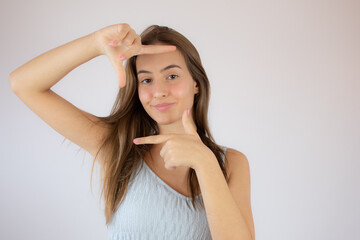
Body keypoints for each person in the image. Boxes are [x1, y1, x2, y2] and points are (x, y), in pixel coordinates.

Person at [9, 23, 255, 240]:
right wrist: (95, 43)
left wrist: (204, 163)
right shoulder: (117, 146)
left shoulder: (231, 163)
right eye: (146, 80)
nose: (159, 91)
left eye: (171, 75)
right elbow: (23, 84)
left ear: (197, 84)